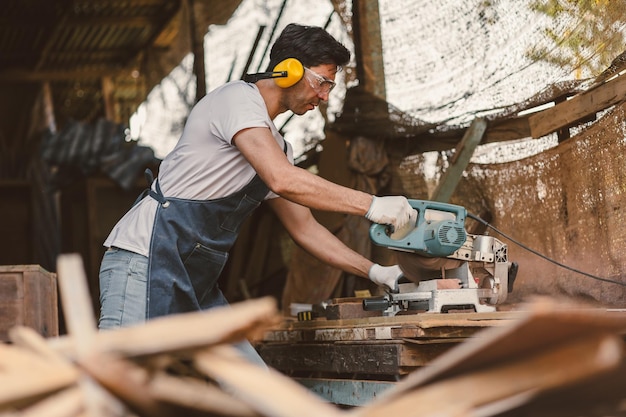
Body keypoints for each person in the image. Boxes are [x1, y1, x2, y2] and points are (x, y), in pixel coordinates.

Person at [98, 23, 415, 365]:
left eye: (330, 87)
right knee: (115, 382)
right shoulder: (237, 99)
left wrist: (374, 271)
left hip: (196, 282)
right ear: (288, 70)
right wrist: (370, 205)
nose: (324, 96)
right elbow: (281, 179)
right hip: (143, 261)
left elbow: (306, 230)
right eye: (321, 82)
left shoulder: (277, 146)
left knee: (254, 388)